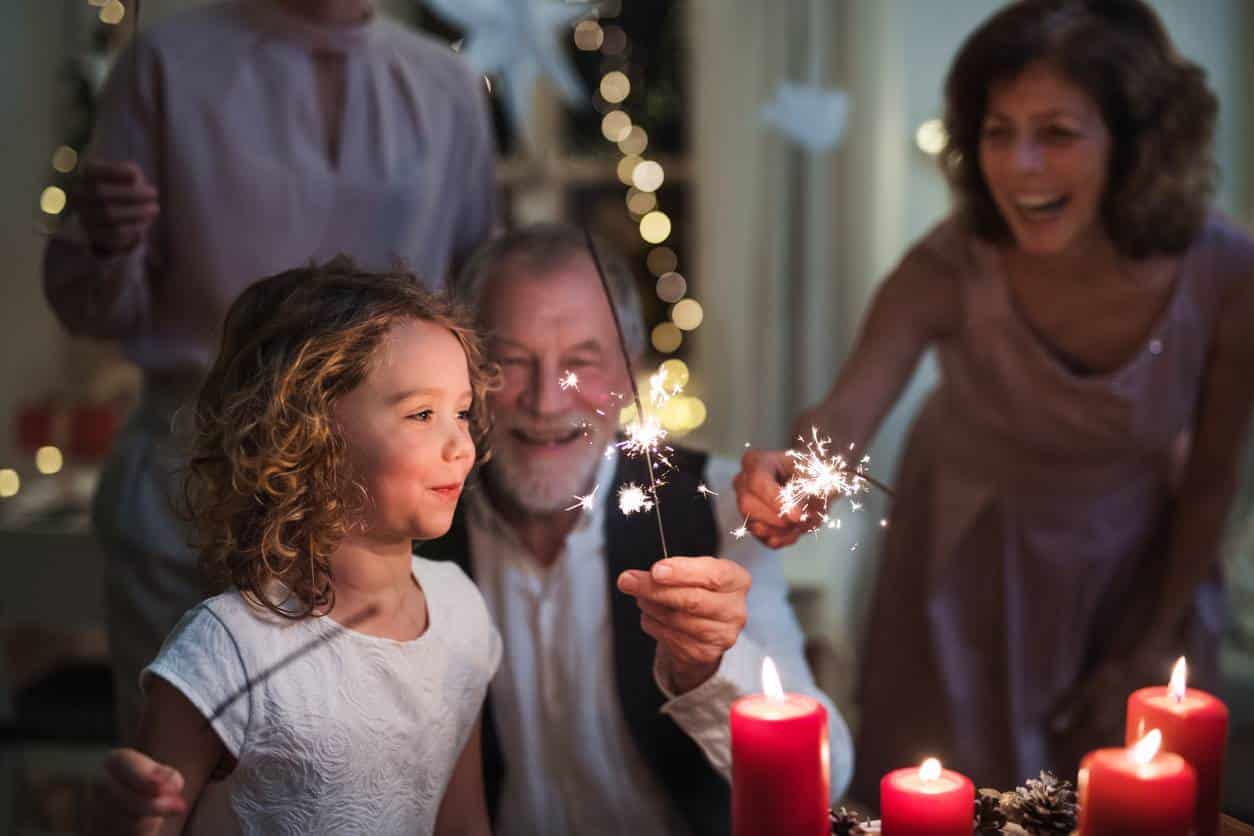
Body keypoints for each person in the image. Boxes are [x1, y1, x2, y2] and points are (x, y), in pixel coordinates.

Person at [734, 0, 1254, 799]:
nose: (1020, 165)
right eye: (997, 130)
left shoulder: (1225, 272)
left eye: (1057, 133)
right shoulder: (949, 265)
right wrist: (794, 474)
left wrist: (1149, 645)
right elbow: (844, 414)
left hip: (1141, 570)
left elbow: (1215, 476)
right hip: (966, 576)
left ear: (1137, 143)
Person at [42, 0, 497, 740]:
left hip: (374, 504)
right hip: (192, 485)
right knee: (183, 769)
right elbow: (96, 307)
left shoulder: (446, 83)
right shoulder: (165, 63)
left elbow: (479, 297)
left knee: (369, 749)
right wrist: (101, 240)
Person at [425, 224, 852, 836]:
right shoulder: (418, 520)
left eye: (581, 362)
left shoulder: (717, 507)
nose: (547, 402)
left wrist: (707, 671)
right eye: (510, 362)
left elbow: (825, 773)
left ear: (630, 375)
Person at [89, 259, 502, 835]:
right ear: (306, 432)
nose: (460, 442)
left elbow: (462, 822)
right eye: (422, 414)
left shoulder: (461, 612)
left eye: (461, 411)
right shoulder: (227, 649)